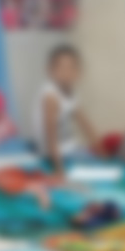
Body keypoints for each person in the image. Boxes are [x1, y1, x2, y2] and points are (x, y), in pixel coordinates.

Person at [32, 44, 99, 176]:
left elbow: (85, 124)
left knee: (99, 162)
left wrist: (105, 155)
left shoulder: (71, 92)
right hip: (52, 153)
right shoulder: (50, 96)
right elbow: (50, 135)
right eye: (61, 68)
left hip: (70, 149)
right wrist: (58, 168)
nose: (66, 73)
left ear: (79, 72)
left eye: (71, 68)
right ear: (50, 71)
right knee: (92, 170)